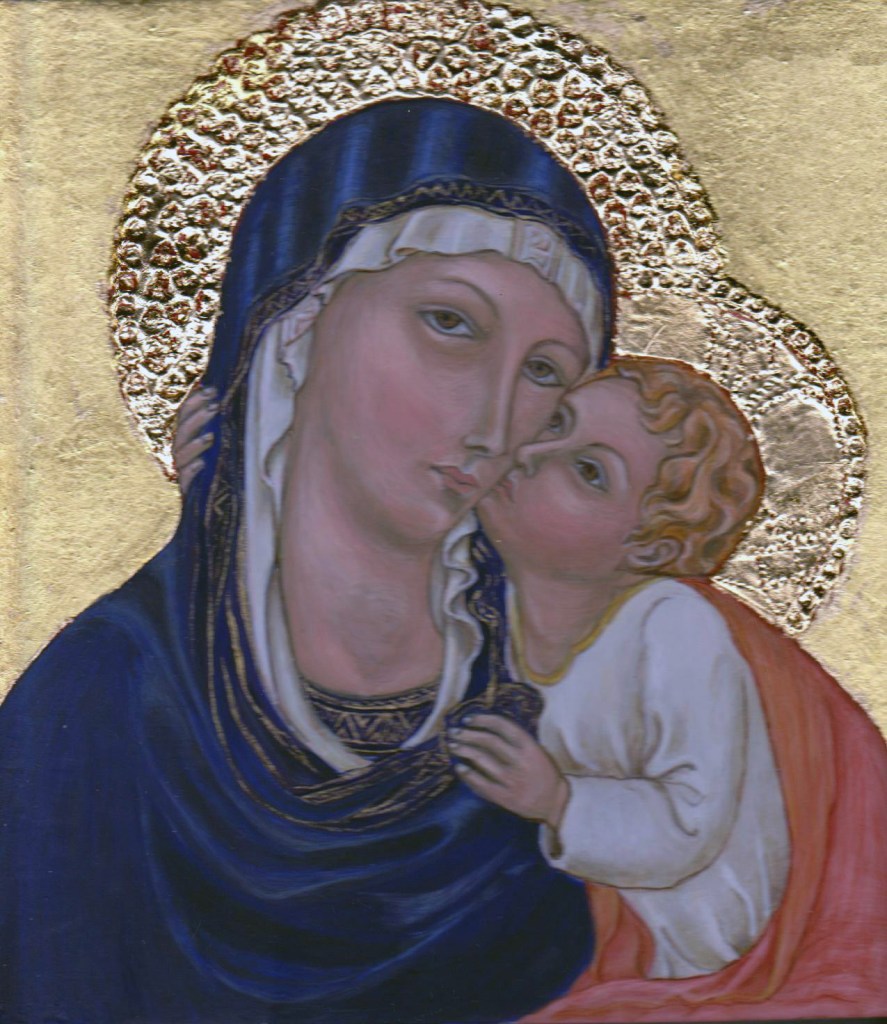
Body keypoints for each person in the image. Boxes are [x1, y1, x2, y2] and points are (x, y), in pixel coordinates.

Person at [0, 99, 616, 1024]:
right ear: (296, 326)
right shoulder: (100, 702)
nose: (492, 426)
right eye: (450, 323)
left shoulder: (578, 720)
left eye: (544, 374)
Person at [451, 357, 887, 1019]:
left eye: (588, 471)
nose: (533, 453)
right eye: (554, 423)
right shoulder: (484, 602)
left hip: (689, 935)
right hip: (584, 892)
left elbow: (689, 825)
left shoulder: (674, 627)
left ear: (649, 548)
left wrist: (559, 801)